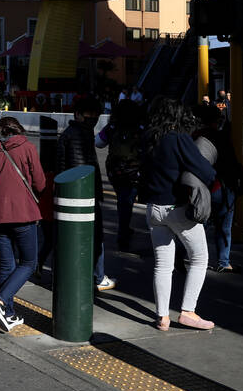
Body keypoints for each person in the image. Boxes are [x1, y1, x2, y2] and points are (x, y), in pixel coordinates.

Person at [140, 99, 217, 331]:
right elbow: (204, 170)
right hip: (177, 208)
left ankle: (162, 317)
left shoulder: (149, 137)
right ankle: (188, 311)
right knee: (199, 257)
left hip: (153, 208)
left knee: (163, 264)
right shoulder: (178, 138)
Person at [0, 116, 46, 332]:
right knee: (28, 262)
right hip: (23, 215)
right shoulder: (27, 147)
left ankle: (8, 313)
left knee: (6, 266)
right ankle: (1, 300)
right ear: (18, 130)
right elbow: (40, 182)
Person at [56, 97, 114, 291]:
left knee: (77, 237)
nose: (93, 119)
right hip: (83, 192)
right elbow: (83, 166)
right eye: (89, 115)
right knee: (95, 237)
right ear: (77, 114)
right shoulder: (81, 134)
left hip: (73, 192)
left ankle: (89, 275)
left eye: (95, 116)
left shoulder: (71, 133)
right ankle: (97, 276)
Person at [194, 104, 241, 273]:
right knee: (224, 225)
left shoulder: (194, 137)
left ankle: (188, 253)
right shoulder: (222, 138)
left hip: (201, 187)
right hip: (223, 185)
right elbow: (231, 164)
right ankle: (223, 261)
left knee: (200, 223)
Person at [95, 100, 143, 252]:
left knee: (123, 200)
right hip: (134, 172)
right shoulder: (141, 127)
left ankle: (125, 228)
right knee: (126, 201)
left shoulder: (112, 127)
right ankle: (123, 234)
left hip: (114, 172)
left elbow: (98, 143)